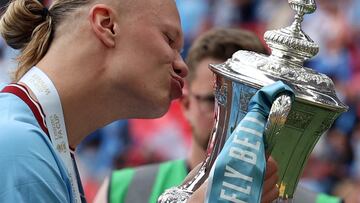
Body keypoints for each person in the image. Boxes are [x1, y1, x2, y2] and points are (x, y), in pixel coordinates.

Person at [94, 28, 346, 203]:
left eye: (252, 103)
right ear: (186, 106)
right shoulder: (123, 190)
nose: (236, 116)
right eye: (215, 99)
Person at [0, 0, 191, 202]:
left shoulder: (34, 142)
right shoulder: (20, 147)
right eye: (169, 39)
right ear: (107, 24)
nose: (182, 66)